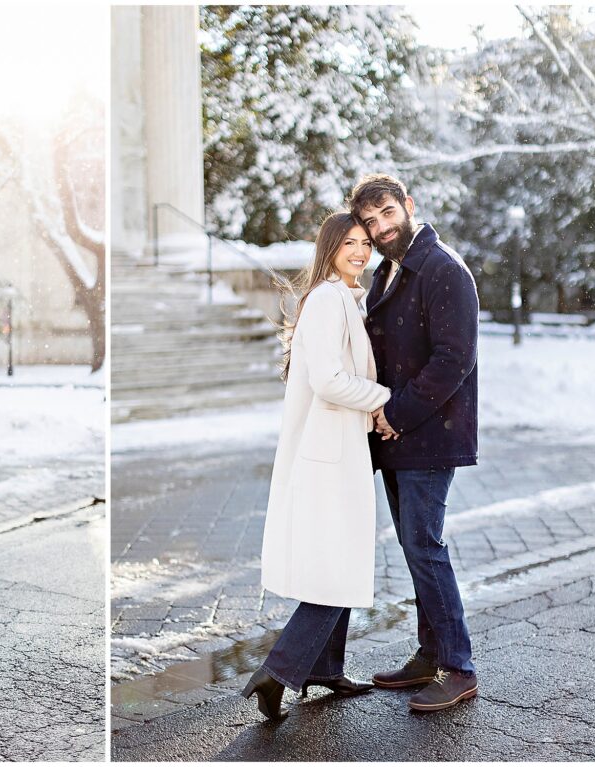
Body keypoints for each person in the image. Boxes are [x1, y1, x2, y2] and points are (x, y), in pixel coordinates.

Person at [243, 212, 392, 722]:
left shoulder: (344, 297)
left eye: (365, 243)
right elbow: (329, 380)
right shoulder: (329, 300)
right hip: (327, 454)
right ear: (328, 247)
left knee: (342, 558)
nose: (359, 251)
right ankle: (278, 671)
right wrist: (383, 399)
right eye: (348, 242)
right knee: (336, 567)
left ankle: (324, 666)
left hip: (339, 447)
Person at [349, 173, 479, 712]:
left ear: (408, 205)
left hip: (428, 433)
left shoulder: (443, 269)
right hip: (401, 436)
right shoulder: (390, 271)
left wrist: (395, 414)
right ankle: (430, 656)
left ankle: (458, 666)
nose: (380, 228)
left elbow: (453, 360)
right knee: (414, 546)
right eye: (370, 222)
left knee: (425, 545)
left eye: (387, 214)